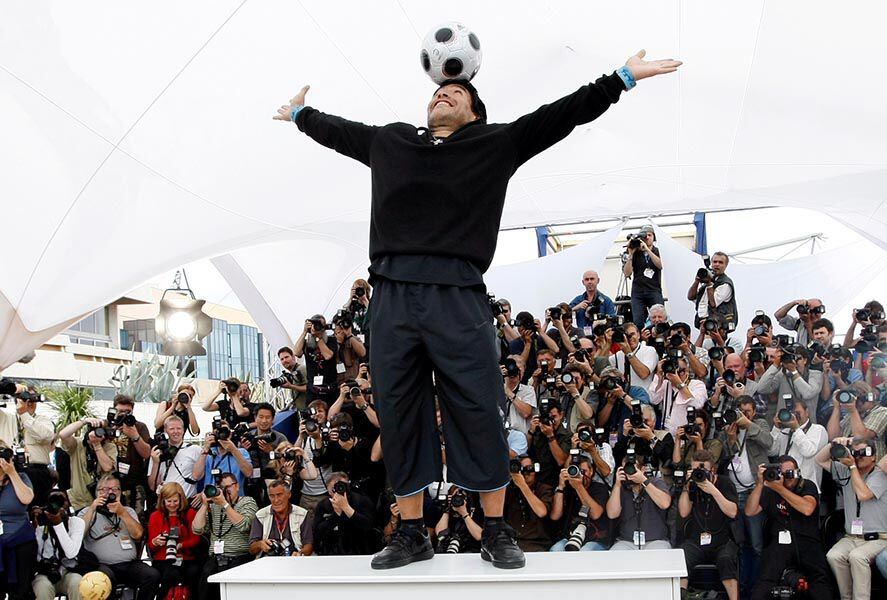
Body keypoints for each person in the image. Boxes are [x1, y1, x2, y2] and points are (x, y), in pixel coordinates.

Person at [276, 49, 681, 570]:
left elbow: (560, 115)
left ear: (473, 112)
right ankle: (413, 532)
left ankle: (495, 528)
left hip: (459, 290)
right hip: (392, 292)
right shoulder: (392, 140)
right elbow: (340, 131)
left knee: (477, 407)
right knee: (399, 413)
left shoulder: (494, 144)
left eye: (456, 92)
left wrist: (621, 78)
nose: (442, 93)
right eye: (439, 91)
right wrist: (300, 115)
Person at [744, 457, 833, 600]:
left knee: (819, 580)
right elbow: (750, 511)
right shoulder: (771, 488)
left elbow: (807, 508)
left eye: (790, 473)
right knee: (765, 580)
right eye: (783, 474)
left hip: (807, 540)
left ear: (798, 472)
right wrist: (760, 484)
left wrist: (780, 489)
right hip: (779, 543)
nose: (787, 478)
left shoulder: (807, 485)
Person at [817, 437, 887, 600]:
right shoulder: (845, 470)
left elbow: (863, 494)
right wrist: (834, 443)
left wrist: (853, 466)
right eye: (856, 452)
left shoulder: (880, 476)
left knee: (857, 557)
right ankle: (846, 597)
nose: (859, 455)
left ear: (874, 457)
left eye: (864, 452)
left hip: (878, 538)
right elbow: (819, 460)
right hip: (851, 537)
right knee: (833, 555)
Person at [717, 396, 771, 596]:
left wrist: (749, 425)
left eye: (748, 412)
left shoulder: (759, 424)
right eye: (741, 412)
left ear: (754, 412)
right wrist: (731, 439)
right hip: (735, 493)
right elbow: (724, 458)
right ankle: (744, 587)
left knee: (757, 543)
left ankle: (758, 586)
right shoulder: (728, 428)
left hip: (755, 490)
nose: (743, 416)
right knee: (741, 543)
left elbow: (769, 442)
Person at [79, 474, 159, 600]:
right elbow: (78, 536)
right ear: (97, 492)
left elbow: (138, 535)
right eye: (105, 489)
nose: (110, 492)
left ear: (120, 493)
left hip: (128, 564)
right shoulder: (87, 512)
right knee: (104, 580)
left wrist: (122, 513)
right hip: (101, 566)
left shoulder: (128, 511)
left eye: (115, 489)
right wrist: (93, 508)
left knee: (152, 575)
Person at [677, 450, 739, 600]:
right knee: (680, 557)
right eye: (694, 469)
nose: (698, 473)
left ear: (713, 469)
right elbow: (684, 512)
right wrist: (687, 486)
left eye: (701, 470)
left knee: (727, 559)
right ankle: (681, 595)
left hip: (721, 540)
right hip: (696, 540)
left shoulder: (724, 482)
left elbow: (733, 512)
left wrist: (713, 491)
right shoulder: (692, 485)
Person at [192, 472, 257, 600]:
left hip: (239, 556)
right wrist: (205, 505)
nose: (226, 491)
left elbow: (244, 525)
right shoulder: (213, 506)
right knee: (205, 585)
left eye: (229, 487)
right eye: (222, 488)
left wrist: (225, 505)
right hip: (215, 558)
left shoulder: (247, 502)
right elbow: (197, 529)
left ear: (237, 486)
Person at [606, 452, 672, 550]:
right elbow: (612, 514)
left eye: (633, 469)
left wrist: (643, 480)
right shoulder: (620, 487)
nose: (629, 473)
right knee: (615, 556)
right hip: (627, 541)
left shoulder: (655, 482)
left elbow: (665, 503)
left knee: (660, 558)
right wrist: (617, 485)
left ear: (642, 469)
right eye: (626, 469)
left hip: (656, 540)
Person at [147, 482, 201, 599]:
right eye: (168, 501)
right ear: (163, 501)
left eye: (175, 501)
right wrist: (155, 542)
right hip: (163, 559)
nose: (172, 505)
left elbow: (196, 539)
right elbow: (151, 546)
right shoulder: (155, 516)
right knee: (171, 573)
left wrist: (181, 545)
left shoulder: (189, 513)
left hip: (186, 557)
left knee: (194, 572)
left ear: (181, 500)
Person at [549, 455, 610, 551]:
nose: (579, 475)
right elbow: (555, 516)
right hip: (570, 536)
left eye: (583, 471)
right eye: (575, 471)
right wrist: (561, 486)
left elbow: (595, 514)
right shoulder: (568, 489)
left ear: (591, 471)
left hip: (594, 538)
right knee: (555, 550)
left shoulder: (600, 488)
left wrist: (579, 487)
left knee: (585, 552)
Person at [31, 490, 84, 600]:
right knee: (43, 589)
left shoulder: (76, 522)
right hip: (45, 574)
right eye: (54, 501)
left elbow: (71, 553)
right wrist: (35, 524)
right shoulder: (41, 522)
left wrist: (58, 523)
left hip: (69, 571)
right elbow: (36, 556)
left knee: (78, 583)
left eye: (61, 501)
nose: (58, 505)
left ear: (68, 504)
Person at [107, 394, 152, 518]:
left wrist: (135, 436)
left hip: (134, 483)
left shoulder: (138, 426)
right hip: (109, 482)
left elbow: (147, 453)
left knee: (135, 519)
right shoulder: (107, 425)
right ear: (114, 409)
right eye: (121, 411)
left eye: (128, 412)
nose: (124, 415)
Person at [58, 417, 118, 511]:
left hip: (100, 500)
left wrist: (97, 445)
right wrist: (84, 421)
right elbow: (63, 434)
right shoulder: (78, 444)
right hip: (79, 501)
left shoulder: (109, 447)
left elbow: (107, 467)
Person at [0, 443, 36, 599]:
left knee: (20, 591)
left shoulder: (21, 477)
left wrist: (11, 472)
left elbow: (27, 498)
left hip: (20, 540)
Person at [312, 473, 378, 556]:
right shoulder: (323, 505)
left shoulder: (361, 501)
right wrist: (336, 515)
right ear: (328, 489)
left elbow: (370, 526)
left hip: (359, 551)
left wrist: (347, 508)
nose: (339, 489)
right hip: (331, 552)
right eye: (334, 488)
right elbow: (317, 533)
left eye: (342, 486)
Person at [768, 399, 828, 491]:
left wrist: (796, 428)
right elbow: (771, 451)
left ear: (807, 412)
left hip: (807, 486)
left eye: (797, 413)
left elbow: (808, 451)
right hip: (784, 484)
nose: (794, 416)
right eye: (791, 413)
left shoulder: (818, 430)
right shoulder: (785, 431)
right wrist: (776, 428)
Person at [249, 479, 313, 557]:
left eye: (279, 495)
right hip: (268, 562)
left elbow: (309, 545)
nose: (276, 500)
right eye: (272, 496)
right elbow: (251, 549)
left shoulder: (302, 514)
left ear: (289, 494)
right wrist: (260, 544)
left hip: (294, 560)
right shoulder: (260, 515)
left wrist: (300, 553)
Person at [502, 454, 552, 552]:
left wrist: (522, 485)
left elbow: (541, 512)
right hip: (512, 542)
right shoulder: (508, 490)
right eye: (522, 469)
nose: (526, 473)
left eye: (529, 468)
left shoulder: (544, 489)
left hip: (537, 543)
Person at [648, 355, 707, 436]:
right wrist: (659, 376)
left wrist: (679, 384)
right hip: (665, 435)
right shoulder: (666, 383)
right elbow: (653, 399)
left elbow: (697, 404)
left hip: (686, 435)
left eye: (680, 370)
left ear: (686, 371)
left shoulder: (697, 384)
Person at [14, 388, 55, 505]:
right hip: (11, 470)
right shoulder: (10, 419)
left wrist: (24, 415)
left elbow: (45, 436)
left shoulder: (43, 420)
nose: (29, 402)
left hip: (37, 473)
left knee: (39, 509)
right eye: (25, 398)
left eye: (32, 399)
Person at [826, 381, 887, 459]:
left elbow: (861, 437)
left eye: (857, 398)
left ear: (867, 397)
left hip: (871, 465)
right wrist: (837, 407)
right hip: (850, 463)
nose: (856, 402)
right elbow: (832, 436)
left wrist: (853, 410)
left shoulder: (882, 412)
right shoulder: (852, 414)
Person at [148, 415, 203, 499]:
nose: (176, 431)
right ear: (165, 431)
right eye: (172, 429)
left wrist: (202, 493)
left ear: (183, 430)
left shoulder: (195, 450)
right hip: (166, 501)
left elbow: (207, 476)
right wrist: (156, 462)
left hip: (187, 500)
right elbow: (152, 486)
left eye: (179, 428)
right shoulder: (157, 452)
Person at [623, 225, 664, 329]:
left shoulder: (658, 251)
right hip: (638, 292)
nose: (647, 238)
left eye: (650, 235)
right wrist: (631, 254)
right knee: (638, 322)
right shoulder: (635, 252)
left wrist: (647, 250)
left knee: (659, 319)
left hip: (654, 290)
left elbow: (660, 265)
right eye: (645, 236)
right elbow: (627, 273)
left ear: (654, 237)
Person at [688, 251, 738, 328]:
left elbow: (713, 304)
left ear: (726, 265)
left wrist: (709, 284)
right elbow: (690, 297)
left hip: (718, 326)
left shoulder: (725, 283)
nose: (717, 264)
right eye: (715, 262)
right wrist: (697, 281)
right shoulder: (710, 281)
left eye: (720, 262)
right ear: (711, 263)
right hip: (704, 323)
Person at [608, 322, 659, 391]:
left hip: (643, 398)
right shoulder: (618, 355)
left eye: (632, 334)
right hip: (624, 397)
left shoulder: (649, 350)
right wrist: (607, 343)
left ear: (638, 335)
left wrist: (629, 353)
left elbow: (643, 374)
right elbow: (600, 368)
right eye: (626, 336)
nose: (630, 338)